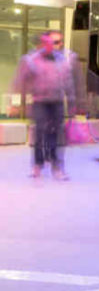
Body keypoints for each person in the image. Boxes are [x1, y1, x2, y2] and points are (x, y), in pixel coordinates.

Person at [12, 30, 76, 180]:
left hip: (57, 102)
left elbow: (68, 82)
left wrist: (72, 102)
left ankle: (56, 166)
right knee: (40, 133)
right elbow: (21, 80)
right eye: (51, 42)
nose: (54, 45)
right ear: (43, 43)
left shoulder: (62, 60)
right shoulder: (32, 59)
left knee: (56, 134)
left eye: (57, 42)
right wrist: (17, 102)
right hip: (39, 101)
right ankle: (37, 165)